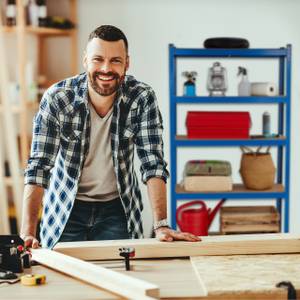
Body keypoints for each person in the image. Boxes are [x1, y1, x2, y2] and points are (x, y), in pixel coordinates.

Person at [21, 25, 200, 249]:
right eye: (98, 59)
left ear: (127, 63)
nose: (106, 68)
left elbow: (152, 164)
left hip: (117, 208)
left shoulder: (141, 98)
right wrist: (27, 232)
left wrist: (161, 225)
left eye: (115, 60)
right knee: (63, 276)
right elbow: (39, 166)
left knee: (121, 273)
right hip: (66, 206)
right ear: (85, 61)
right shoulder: (58, 98)